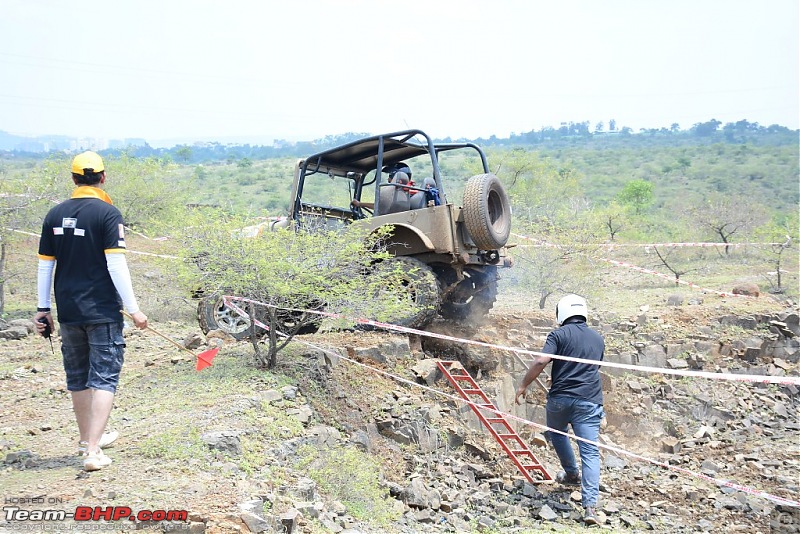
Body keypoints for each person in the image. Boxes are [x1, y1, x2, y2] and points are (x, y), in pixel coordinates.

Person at [34, 151, 148, 472]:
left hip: (68, 311)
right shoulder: (108, 214)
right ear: (103, 177)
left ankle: (88, 440)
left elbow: (45, 266)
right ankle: (94, 450)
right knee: (104, 377)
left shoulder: (54, 214)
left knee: (78, 377)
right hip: (102, 312)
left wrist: (43, 309)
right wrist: (134, 310)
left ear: (73, 179)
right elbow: (116, 263)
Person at [514, 294, 605, 526]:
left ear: (561, 313)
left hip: (560, 400)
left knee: (557, 433)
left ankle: (571, 473)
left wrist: (524, 385)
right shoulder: (598, 339)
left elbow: (541, 360)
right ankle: (590, 508)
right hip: (589, 401)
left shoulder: (558, 334)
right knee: (591, 452)